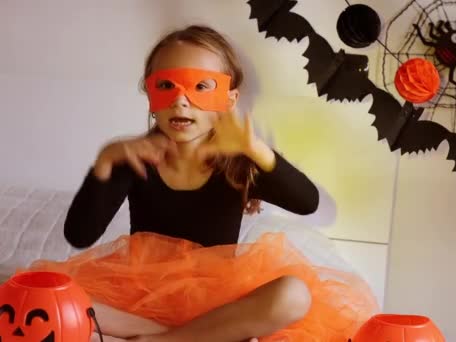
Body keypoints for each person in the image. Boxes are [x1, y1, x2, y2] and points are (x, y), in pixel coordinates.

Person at [24, 25, 379, 342]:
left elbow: (307, 202)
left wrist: (255, 149)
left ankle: (165, 340)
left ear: (228, 98)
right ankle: (186, 337)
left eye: (200, 87)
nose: (181, 99)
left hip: (218, 300)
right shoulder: (134, 159)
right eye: (166, 86)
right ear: (150, 96)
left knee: (294, 295)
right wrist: (104, 162)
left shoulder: (239, 163)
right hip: (139, 297)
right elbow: (80, 234)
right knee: (47, 297)